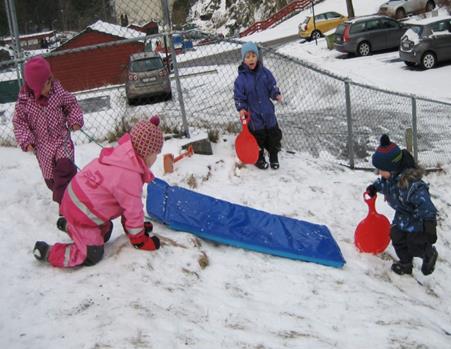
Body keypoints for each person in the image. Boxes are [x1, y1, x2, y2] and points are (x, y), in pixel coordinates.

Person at [32, 116, 164, 268]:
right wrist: (139, 239)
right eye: (156, 153)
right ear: (146, 152)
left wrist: (135, 228)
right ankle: (49, 252)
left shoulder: (122, 157)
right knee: (92, 253)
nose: (156, 158)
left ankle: (69, 225)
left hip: (79, 204)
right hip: (82, 213)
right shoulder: (129, 175)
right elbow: (133, 210)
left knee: (106, 232)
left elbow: (127, 209)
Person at [13, 56, 84, 208]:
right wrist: (27, 141)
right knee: (52, 181)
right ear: (36, 87)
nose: (50, 86)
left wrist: (74, 120)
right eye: (46, 84)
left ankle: (66, 206)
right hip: (42, 146)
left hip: (61, 139)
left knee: (66, 167)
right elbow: (19, 124)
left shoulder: (57, 92)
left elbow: (71, 105)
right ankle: (67, 199)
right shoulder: (24, 103)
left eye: (51, 80)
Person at [366, 134, 438, 276]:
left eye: (381, 170)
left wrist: (429, 224)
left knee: (413, 243)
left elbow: (426, 205)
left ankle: (428, 253)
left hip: (416, 219)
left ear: (392, 168)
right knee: (397, 238)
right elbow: (383, 184)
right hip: (401, 215)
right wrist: (374, 188)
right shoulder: (390, 179)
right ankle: (405, 264)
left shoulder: (412, 185)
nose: (379, 173)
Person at [234, 41, 283, 170]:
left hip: (268, 112)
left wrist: (276, 94)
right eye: (248, 57)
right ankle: (259, 157)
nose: (251, 59)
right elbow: (239, 96)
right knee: (258, 139)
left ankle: (273, 156)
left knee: (274, 136)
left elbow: (272, 86)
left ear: (257, 57)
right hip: (254, 116)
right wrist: (242, 108)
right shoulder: (241, 80)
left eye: (253, 56)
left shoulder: (265, 73)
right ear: (244, 60)